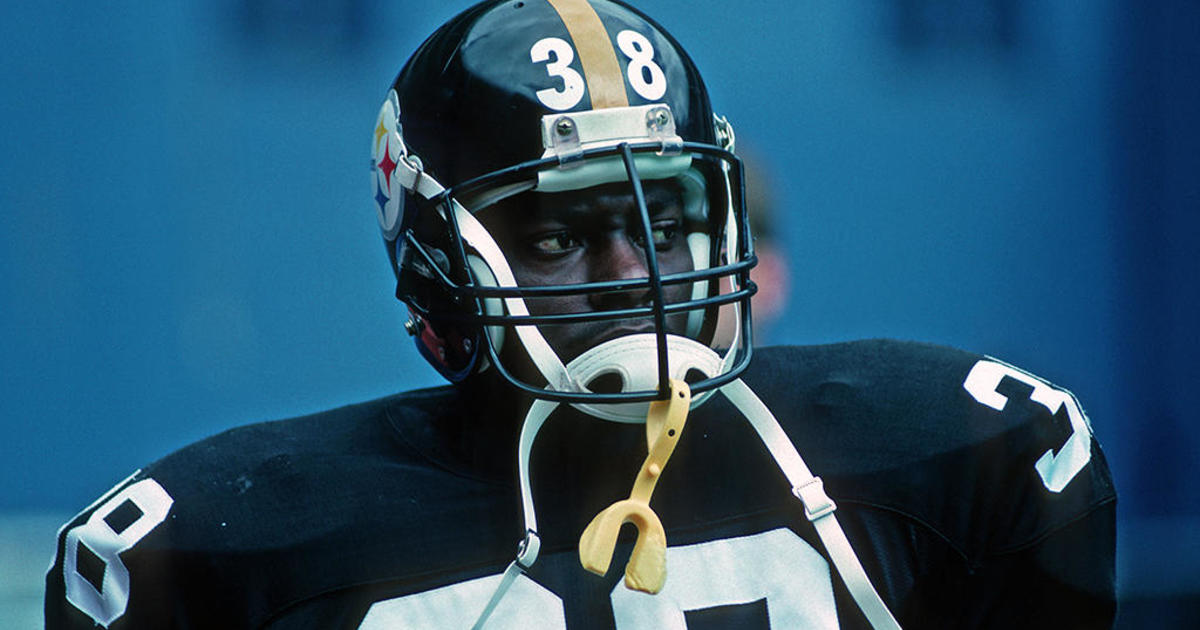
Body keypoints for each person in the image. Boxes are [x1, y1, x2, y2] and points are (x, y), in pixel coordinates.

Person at [44, 1, 1116, 628]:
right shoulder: (226, 555)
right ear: (435, 278)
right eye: (559, 235)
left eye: (662, 220)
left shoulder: (964, 458)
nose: (629, 273)